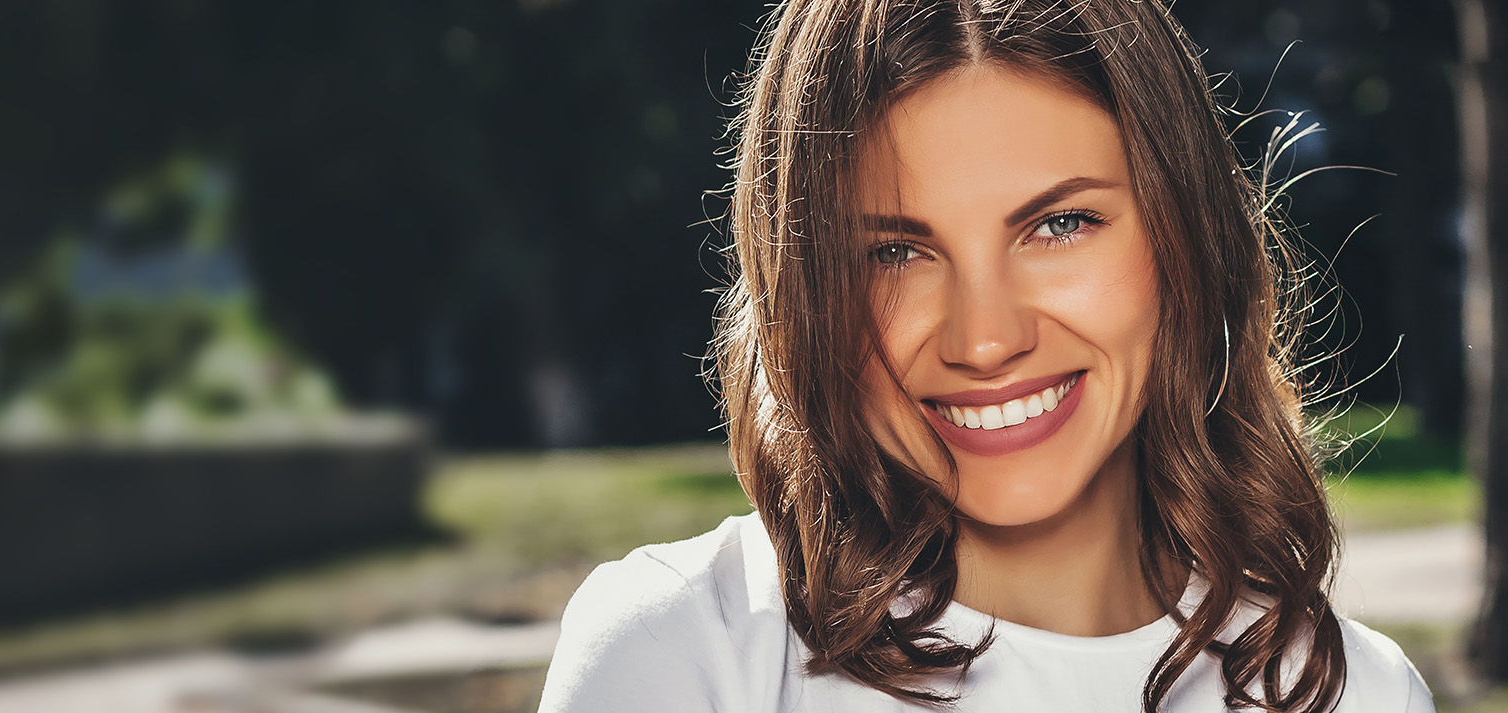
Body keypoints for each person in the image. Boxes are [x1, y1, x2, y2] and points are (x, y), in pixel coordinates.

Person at [539, 1, 1436, 711]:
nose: (985, 339)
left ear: (1185, 241)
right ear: (809, 292)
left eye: (1059, 225)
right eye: (894, 252)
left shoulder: (1356, 694)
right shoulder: (688, 651)